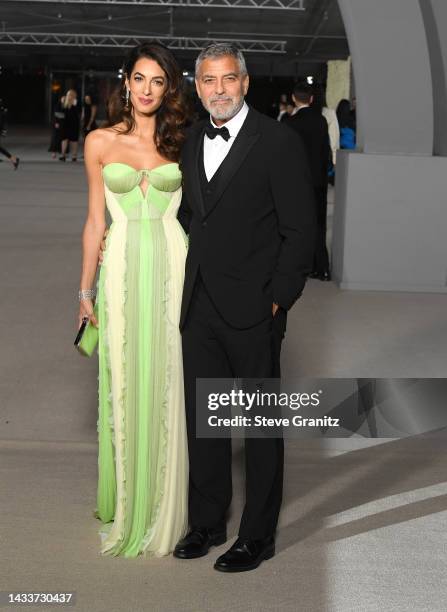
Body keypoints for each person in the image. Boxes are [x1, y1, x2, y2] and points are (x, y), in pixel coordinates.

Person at [172, 43, 316, 572]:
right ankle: (207, 523)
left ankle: (257, 535)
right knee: (204, 422)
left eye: (227, 79)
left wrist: (279, 297)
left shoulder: (277, 142)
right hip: (200, 304)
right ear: (198, 86)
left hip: (257, 306)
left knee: (259, 428)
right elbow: (192, 214)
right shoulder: (191, 139)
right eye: (208, 81)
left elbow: (301, 228)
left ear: (246, 82)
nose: (218, 90)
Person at [78, 41, 189, 557]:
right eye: (140, 79)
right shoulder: (99, 141)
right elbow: (96, 220)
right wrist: (84, 289)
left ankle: (167, 500)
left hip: (173, 264)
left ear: (169, 89)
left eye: (158, 82)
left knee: (167, 376)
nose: (147, 90)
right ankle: (128, 498)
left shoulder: (183, 141)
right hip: (120, 266)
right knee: (124, 376)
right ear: (126, 81)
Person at [288, 82, 331, 281]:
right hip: (318, 181)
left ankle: (300, 268)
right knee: (319, 224)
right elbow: (326, 152)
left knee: (297, 225)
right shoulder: (321, 121)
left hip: (297, 183)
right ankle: (322, 268)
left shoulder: (290, 123)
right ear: (311, 99)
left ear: (294, 99)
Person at [60, 89, 80, 161]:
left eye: (71, 94)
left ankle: (74, 156)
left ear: (74, 95)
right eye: (68, 94)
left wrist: (74, 104)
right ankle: (63, 155)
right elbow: (60, 112)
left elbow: (78, 112)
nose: (69, 96)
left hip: (74, 124)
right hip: (65, 124)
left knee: (74, 140)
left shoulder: (76, 102)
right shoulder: (64, 102)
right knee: (64, 139)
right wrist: (63, 103)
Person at [0, 99, 19, 170]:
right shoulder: (3, 111)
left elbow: (3, 122)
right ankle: (14, 159)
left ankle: (14, 159)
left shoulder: (2, 112)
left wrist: (4, 131)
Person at [48, 95, 65, 159]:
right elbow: (55, 115)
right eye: (63, 99)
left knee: (62, 138)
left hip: (63, 124)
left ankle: (62, 151)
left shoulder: (66, 106)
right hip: (57, 124)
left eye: (65, 99)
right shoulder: (57, 105)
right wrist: (56, 122)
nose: (63, 100)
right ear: (60, 99)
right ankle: (54, 152)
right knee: (55, 138)